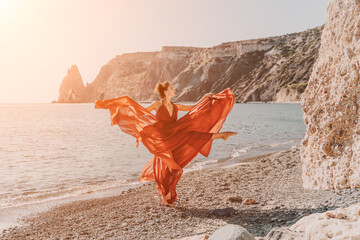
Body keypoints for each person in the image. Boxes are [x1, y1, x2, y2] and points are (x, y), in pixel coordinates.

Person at [95, 81, 237, 207]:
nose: (174, 90)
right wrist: (121, 113)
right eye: (172, 88)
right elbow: (140, 112)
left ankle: (221, 136)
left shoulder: (176, 106)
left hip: (175, 135)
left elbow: (193, 108)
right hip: (163, 139)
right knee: (172, 166)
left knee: (192, 137)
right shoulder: (158, 105)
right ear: (166, 92)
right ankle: (167, 195)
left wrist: (205, 98)